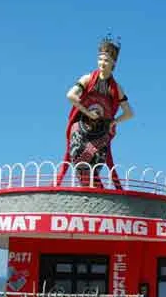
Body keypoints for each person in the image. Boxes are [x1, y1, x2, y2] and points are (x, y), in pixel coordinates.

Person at [57, 35, 134, 189]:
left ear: (113, 63)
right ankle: (95, 189)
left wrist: (114, 121)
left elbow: (129, 113)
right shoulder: (88, 79)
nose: (102, 63)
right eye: (100, 59)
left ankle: (97, 190)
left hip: (101, 130)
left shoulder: (116, 88)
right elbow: (71, 95)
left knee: (96, 161)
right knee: (77, 154)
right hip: (82, 125)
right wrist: (87, 112)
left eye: (106, 60)